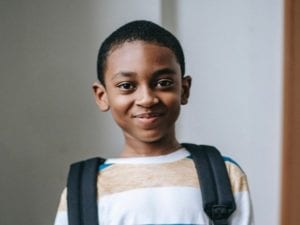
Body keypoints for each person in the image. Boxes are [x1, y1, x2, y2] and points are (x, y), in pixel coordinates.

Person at [54, 20, 254, 225]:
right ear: (102, 96)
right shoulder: (83, 190)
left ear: (184, 89)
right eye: (126, 85)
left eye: (163, 83)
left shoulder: (223, 176)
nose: (147, 99)